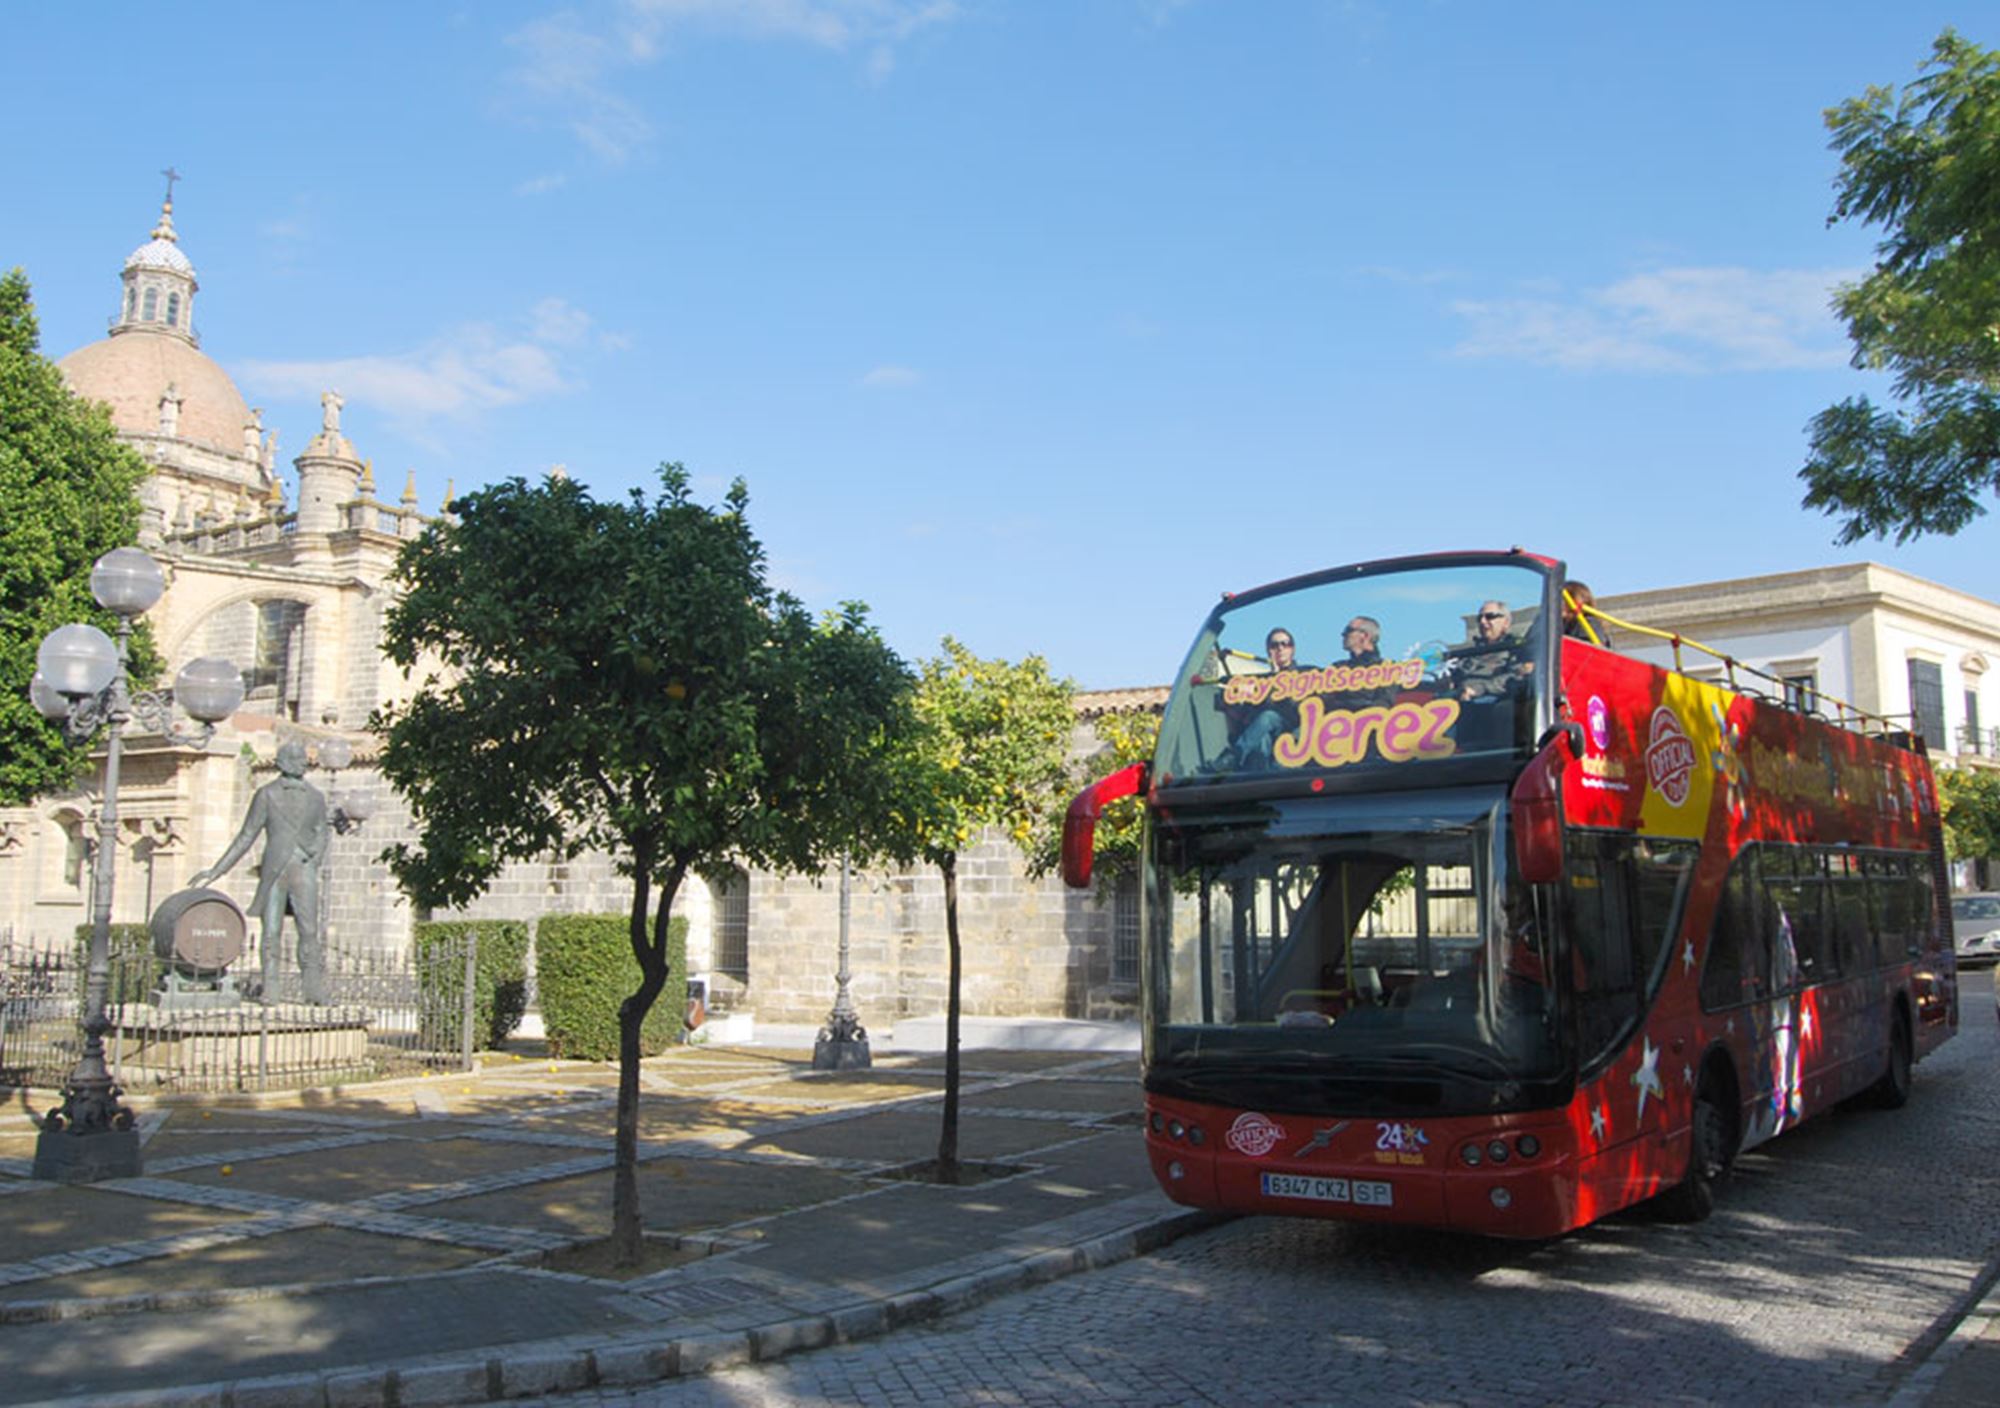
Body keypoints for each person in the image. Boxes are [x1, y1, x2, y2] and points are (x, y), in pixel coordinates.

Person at [190, 741, 331, 1004]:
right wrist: (216, 870)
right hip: (274, 871)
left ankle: (313, 990)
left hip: (303, 868)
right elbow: (245, 837)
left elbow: (323, 831)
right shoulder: (266, 795)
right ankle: (271, 988)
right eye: (297, 757)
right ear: (284, 762)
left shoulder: (316, 797)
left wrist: (314, 859)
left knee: (309, 930)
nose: (303, 762)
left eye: (303, 758)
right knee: (271, 931)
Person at [1223, 627, 1306, 770]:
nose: (1280, 648)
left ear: (1292, 649)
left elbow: (1296, 706)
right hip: (1269, 735)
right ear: (1268, 650)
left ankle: (1233, 757)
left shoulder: (1306, 674)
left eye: (1284, 644)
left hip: (1296, 730)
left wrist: (1277, 679)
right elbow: (1253, 716)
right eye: (1274, 645)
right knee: (1262, 738)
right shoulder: (1260, 681)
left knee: (1268, 716)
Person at [1448, 600, 1533, 702]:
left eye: (1490, 616)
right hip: (1460, 704)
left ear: (1506, 622)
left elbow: (1516, 677)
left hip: (1494, 706)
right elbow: (1455, 678)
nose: (1483, 621)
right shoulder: (1470, 651)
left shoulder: (1516, 648)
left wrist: (1481, 688)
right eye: (1480, 618)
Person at [1325, 614, 1399, 710]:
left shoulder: (1387, 668)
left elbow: (1384, 703)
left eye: (1348, 630)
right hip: (1337, 723)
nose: (1343, 634)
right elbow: (1325, 701)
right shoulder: (1337, 668)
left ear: (1364, 636)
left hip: (1368, 723)